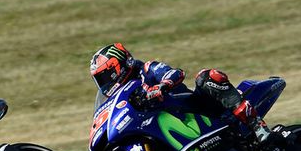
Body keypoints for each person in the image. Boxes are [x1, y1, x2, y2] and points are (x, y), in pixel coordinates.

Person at [89, 43, 272, 143]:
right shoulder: (119, 97)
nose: (105, 83)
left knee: (207, 77)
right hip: (163, 124)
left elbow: (175, 73)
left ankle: (256, 125)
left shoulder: (146, 69)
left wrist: (162, 86)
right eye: (100, 79)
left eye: (106, 76)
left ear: (119, 65)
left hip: (192, 108)